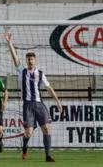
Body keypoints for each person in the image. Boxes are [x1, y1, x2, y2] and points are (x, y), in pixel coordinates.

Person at [4, 32, 63, 162]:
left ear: (35, 61)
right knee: (28, 132)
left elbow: (49, 88)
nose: (30, 61)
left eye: (32, 59)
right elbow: (15, 59)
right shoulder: (22, 72)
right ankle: (24, 149)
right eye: (28, 59)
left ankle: (48, 156)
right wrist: (9, 43)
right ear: (26, 61)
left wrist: (58, 102)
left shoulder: (40, 74)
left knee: (46, 128)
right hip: (28, 105)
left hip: (39, 104)